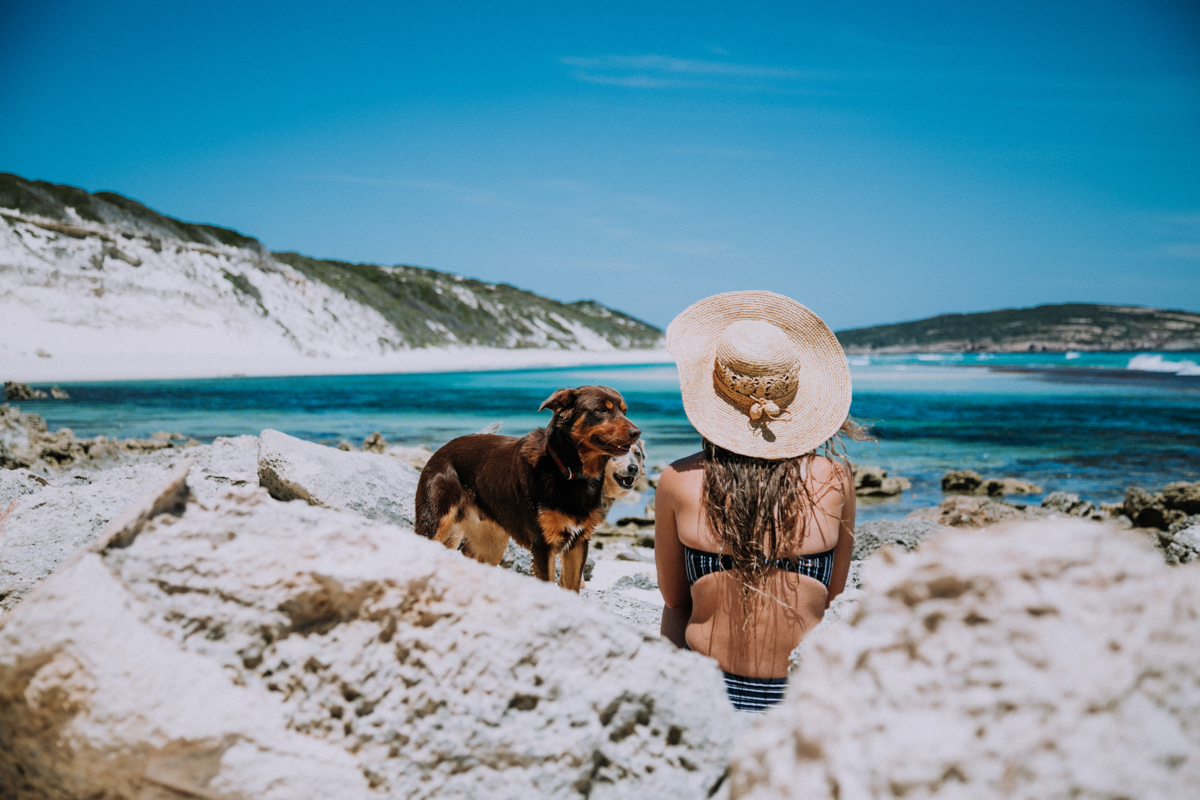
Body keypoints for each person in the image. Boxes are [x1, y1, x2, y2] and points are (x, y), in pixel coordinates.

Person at [654, 290, 864, 713]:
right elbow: (834, 596)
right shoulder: (833, 478)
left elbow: (675, 603)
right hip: (804, 700)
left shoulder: (678, 482)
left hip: (706, 697)